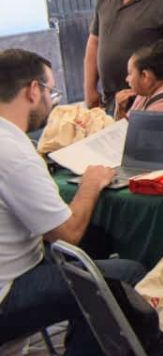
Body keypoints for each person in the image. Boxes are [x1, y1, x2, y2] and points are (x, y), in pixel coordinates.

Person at [0, 49, 147, 356]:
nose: (51, 102)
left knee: (97, 240)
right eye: (50, 92)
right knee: (124, 276)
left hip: (15, 268)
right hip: (7, 292)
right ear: (33, 90)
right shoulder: (12, 151)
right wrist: (91, 184)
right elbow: (67, 234)